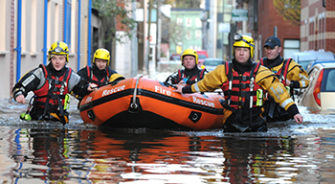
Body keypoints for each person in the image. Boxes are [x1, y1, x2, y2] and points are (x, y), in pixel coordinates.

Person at [175, 35, 303, 132]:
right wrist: (185, 90)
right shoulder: (223, 71)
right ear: (234, 52)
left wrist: (294, 112)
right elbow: (203, 85)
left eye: (245, 50)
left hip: (256, 126)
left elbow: (280, 94)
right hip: (232, 124)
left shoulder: (262, 72)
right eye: (238, 50)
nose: (241, 53)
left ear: (250, 52)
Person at [12, 41, 95, 124]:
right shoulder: (40, 73)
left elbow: (82, 87)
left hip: (59, 119)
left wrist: (88, 88)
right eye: (54, 58)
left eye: (61, 58)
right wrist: (19, 94)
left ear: (66, 59)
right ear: (50, 59)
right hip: (38, 118)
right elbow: (20, 86)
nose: (57, 62)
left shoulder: (71, 76)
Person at [261, 36, 309, 122]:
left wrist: (292, 84)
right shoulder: (260, 66)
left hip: (284, 113)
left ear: (279, 49)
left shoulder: (290, 66)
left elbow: (306, 82)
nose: (269, 51)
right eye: (267, 48)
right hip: (263, 112)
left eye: (272, 48)